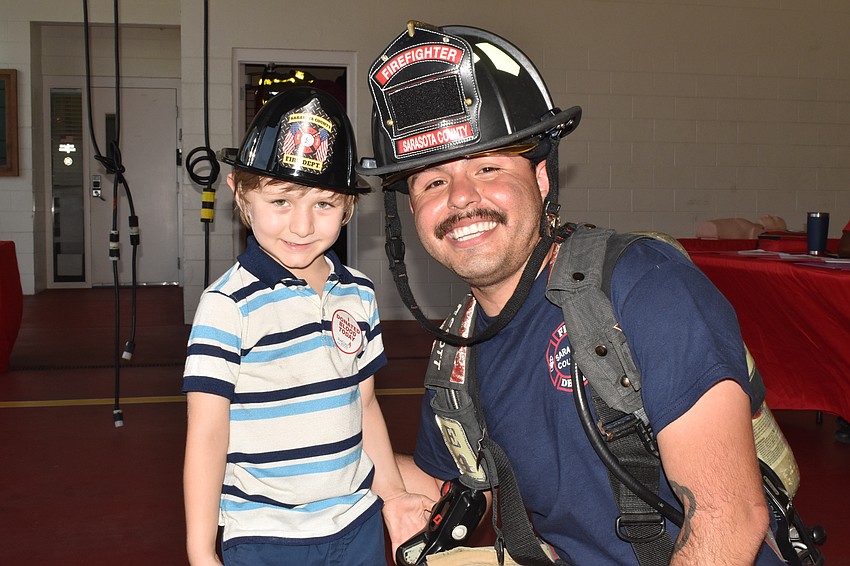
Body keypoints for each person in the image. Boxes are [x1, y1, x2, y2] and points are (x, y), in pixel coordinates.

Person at [357, 21, 785, 565]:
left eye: (487, 167)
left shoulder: (642, 285)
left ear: (540, 180)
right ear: (412, 213)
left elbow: (729, 518)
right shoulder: (460, 346)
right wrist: (313, 442)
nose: (462, 198)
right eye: (432, 182)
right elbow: (456, 489)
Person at [182, 86, 432, 566]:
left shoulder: (357, 292)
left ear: (349, 207)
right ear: (241, 194)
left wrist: (395, 496)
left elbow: (364, 405)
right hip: (265, 536)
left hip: (355, 522)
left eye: (324, 204)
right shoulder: (227, 305)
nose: (302, 226)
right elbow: (208, 435)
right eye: (281, 201)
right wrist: (200, 549)